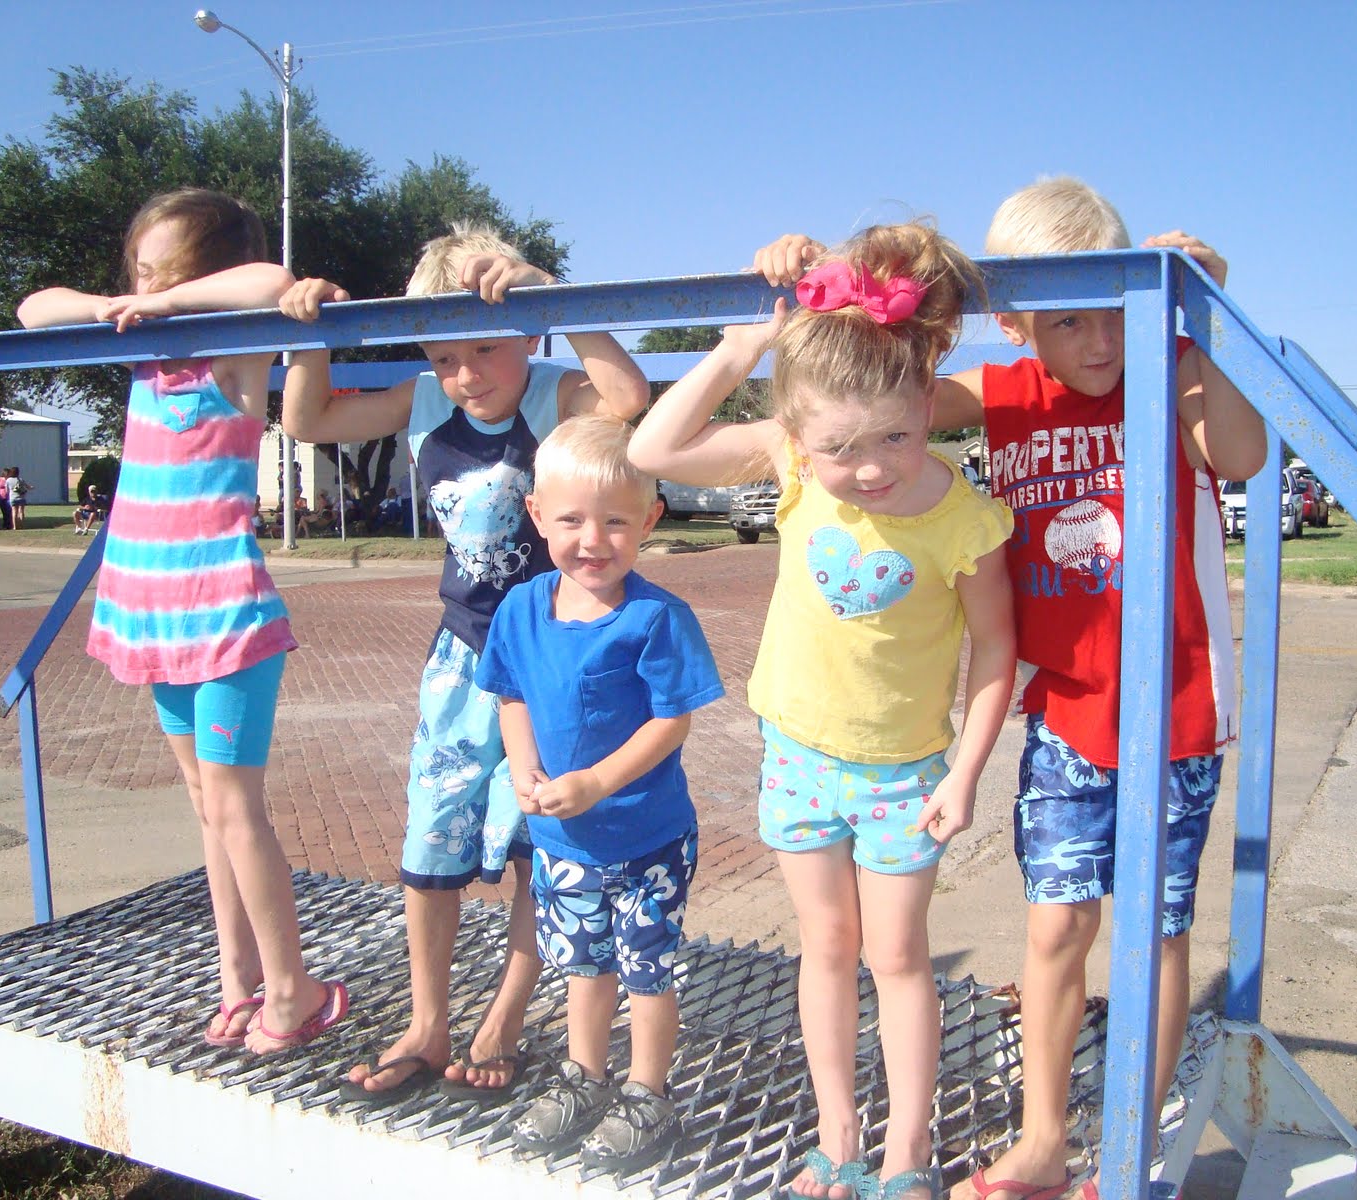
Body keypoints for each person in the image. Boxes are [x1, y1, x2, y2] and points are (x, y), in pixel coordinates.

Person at [756, 180, 1268, 1200]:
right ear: (1013, 319)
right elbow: (871, 384)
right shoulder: (1003, 389)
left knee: (1157, 930)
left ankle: (1123, 1136)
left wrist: (1196, 317)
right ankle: (1041, 1140)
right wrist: (816, 291)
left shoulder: (1170, 374)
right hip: (1065, 707)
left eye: (1108, 309)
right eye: (1064, 316)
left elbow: (1245, 456)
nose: (1094, 341)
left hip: (1171, 704)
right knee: (1054, 928)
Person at [628, 222, 1018, 1200]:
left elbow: (998, 651)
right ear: (797, 438)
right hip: (798, 756)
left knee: (895, 955)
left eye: (895, 436)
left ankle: (906, 1150)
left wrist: (966, 775)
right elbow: (652, 446)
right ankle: (838, 1137)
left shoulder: (961, 516)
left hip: (903, 775)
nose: (873, 467)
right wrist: (739, 348)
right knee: (827, 950)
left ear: (929, 401)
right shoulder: (794, 467)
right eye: (841, 448)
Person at [280, 221, 650, 1101]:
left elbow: (628, 394)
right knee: (432, 832)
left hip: (554, 657)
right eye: (446, 355)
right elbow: (308, 418)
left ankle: (508, 1013)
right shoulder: (420, 403)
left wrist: (549, 292)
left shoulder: (558, 392)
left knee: (539, 838)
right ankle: (427, 1018)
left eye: (486, 347)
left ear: (529, 335)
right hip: (461, 658)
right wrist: (308, 337)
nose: (467, 374)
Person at [17, 187, 348, 1056]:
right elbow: (32, 308)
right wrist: (113, 306)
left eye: (168, 275)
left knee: (237, 810)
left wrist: (168, 304)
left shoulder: (233, 360)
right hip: (146, 610)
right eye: (139, 270)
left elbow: (271, 279)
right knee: (207, 809)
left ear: (205, 282)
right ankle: (237, 983)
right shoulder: (143, 364)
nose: (144, 289)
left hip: (224, 613)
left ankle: (291, 992)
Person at [472, 414, 724, 1165]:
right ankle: (584, 1075)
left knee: (645, 967)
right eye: (572, 519)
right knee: (581, 962)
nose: (592, 539)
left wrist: (596, 782)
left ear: (650, 519)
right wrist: (524, 771)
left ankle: (648, 1092)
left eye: (616, 521)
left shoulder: (654, 617)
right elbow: (509, 692)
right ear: (537, 514)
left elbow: (670, 722)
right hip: (561, 840)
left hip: (645, 835)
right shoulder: (521, 609)